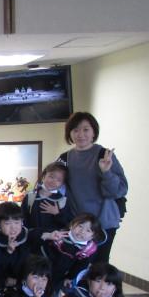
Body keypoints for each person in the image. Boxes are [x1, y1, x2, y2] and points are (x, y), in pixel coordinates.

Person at [59, 111, 128, 262]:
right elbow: (57, 186)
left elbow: (119, 190)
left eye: (86, 129)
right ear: (69, 133)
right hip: (77, 224)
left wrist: (106, 172)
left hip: (104, 223)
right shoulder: (65, 158)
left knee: (99, 265)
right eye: (75, 130)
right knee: (76, 264)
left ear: (94, 132)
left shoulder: (104, 155)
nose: (80, 134)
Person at [41, 213, 104, 297]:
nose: (82, 231)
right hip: (43, 268)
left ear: (92, 236)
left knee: (50, 295)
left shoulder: (88, 250)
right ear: (71, 225)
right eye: (80, 226)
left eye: (88, 230)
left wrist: (70, 277)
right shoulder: (59, 235)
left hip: (60, 276)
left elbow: (81, 266)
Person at [21, 162, 72, 245]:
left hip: (52, 244)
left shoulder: (62, 201)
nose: (53, 181)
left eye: (59, 180)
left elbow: (67, 224)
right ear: (44, 175)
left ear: (62, 184)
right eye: (51, 176)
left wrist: (57, 214)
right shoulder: (30, 196)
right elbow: (23, 218)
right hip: (32, 240)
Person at [0, 202, 31, 291]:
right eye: (7, 223)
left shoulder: (29, 237)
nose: (13, 227)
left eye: (16, 222)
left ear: (22, 222)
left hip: (27, 286)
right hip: (2, 288)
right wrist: (8, 252)